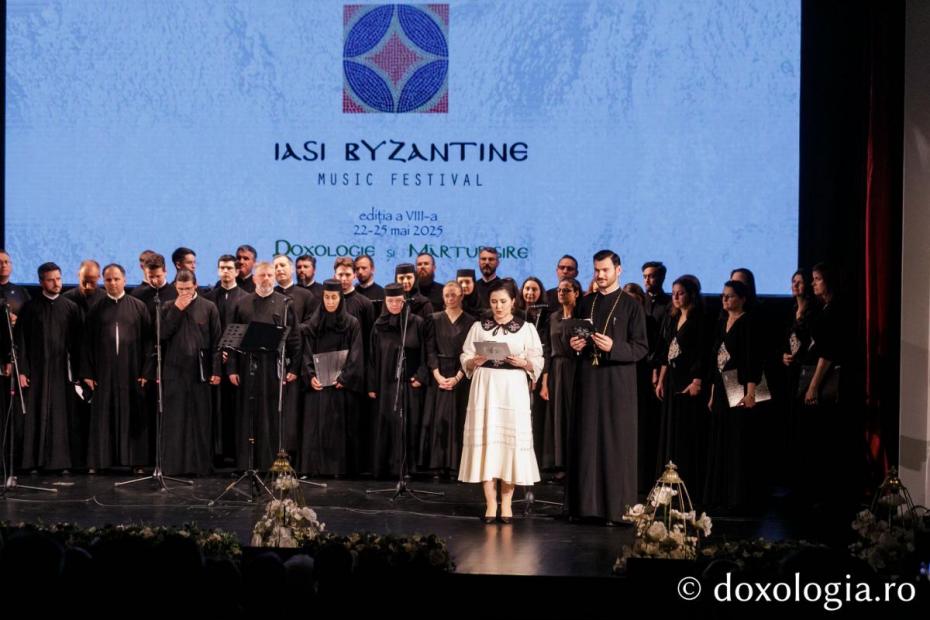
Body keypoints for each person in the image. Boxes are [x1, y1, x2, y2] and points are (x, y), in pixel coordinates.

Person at [567, 250, 648, 524]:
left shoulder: (631, 306)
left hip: (617, 382)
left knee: (615, 442)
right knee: (586, 440)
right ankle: (584, 507)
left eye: (605, 270)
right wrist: (575, 345)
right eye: (597, 270)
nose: (600, 275)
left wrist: (615, 347)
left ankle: (616, 509)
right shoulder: (585, 302)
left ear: (618, 270)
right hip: (589, 380)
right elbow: (575, 337)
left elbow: (641, 347)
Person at [459, 280, 544, 523]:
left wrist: (524, 363)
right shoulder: (479, 327)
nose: (498, 306)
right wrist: (472, 361)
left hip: (512, 388)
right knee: (488, 443)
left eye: (503, 301)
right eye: (494, 302)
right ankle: (490, 504)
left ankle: (506, 504)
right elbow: (465, 354)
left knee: (509, 445)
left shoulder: (526, 328)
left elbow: (538, 359)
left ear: (513, 302)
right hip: (486, 387)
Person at [227, 262, 301, 470]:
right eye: (262, 275)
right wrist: (231, 368)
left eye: (270, 275)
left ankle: (271, 462)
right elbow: (233, 339)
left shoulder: (285, 304)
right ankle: (247, 463)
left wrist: (294, 368)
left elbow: (295, 337)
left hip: (273, 368)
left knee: (272, 415)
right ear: (254, 278)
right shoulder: (242, 304)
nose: (266, 279)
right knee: (248, 414)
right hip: (247, 366)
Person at [80, 264, 152, 473]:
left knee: (134, 414)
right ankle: (98, 462)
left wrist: (146, 371)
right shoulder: (96, 309)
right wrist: (87, 373)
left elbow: (149, 343)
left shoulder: (139, 307)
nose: (112, 283)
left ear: (124, 280)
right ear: (103, 281)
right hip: (104, 372)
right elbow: (85, 343)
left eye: (116, 279)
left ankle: (136, 461)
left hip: (132, 371)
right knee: (103, 416)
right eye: (108, 280)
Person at [15, 262, 82, 473]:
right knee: (36, 415)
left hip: (62, 371)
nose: (56, 283)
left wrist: (78, 374)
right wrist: (22, 370)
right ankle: (34, 462)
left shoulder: (70, 308)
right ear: (41, 282)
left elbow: (78, 344)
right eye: (51, 280)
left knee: (61, 417)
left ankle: (61, 463)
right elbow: (20, 342)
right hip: (36, 371)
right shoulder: (30, 308)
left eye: (58, 279)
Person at [704, 280, 761, 511]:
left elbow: (751, 359)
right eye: (723, 296)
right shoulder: (721, 322)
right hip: (721, 385)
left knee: (736, 439)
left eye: (730, 296)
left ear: (743, 299)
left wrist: (751, 392)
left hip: (738, 384)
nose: (725, 299)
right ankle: (719, 494)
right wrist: (712, 393)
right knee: (721, 437)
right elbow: (715, 361)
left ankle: (736, 497)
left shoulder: (748, 322)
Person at [159, 270, 222, 476]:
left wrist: (216, 370)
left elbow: (217, 341)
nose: (184, 292)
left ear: (195, 285)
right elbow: (161, 335)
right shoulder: (167, 306)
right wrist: (177, 309)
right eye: (180, 289)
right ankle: (174, 467)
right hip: (173, 371)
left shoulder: (209, 307)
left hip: (200, 372)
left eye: (187, 288)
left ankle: (200, 467)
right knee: (175, 420)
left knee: (200, 420)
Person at [299, 280, 364, 476]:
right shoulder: (313, 324)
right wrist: (310, 375)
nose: (330, 301)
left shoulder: (351, 323)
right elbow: (306, 352)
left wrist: (344, 378)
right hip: (317, 386)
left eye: (334, 297)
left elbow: (356, 354)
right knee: (315, 427)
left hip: (339, 387)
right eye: (326, 297)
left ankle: (338, 469)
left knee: (337, 427)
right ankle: (314, 468)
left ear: (340, 299)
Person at [654, 275, 708, 500]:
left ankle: (686, 484)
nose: (675, 297)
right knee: (670, 429)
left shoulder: (699, 320)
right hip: (671, 379)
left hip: (688, 380)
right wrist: (661, 380)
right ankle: (668, 482)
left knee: (685, 432)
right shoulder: (672, 317)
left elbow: (702, 352)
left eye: (681, 293)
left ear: (691, 295)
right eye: (674, 293)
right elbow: (667, 351)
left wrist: (697, 380)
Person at [367, 283, 428, 478]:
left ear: (405, 301)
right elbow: (372, 357)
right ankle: (386, 468)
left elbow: (425, 353)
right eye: (390, 301)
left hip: (409, 384)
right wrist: (372, 385)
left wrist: (421, 376)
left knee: (408, 424)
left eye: (398, 301)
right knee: (387, 422)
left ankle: (407, 467)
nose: (394, 304)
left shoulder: (416, 323)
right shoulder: (378, 325)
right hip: (385, 384)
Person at [419, 281, 476, 478]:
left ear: (461, 296)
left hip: (461, 375)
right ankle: (437, 465)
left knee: (459, 418)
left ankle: (457, 466)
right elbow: (430, 349)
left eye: (454, 295)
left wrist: (458, 377)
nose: (450, 298)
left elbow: (471, 352)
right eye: (447, 295)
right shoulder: (433, 319)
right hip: (439, 374)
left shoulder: (471, 322)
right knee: (438, 419)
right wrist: (437, 375)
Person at [203, 255, 248, 465]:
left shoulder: (245, 298)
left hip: (236, 362)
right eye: (222, 268)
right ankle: (216, 452)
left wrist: (230, 354)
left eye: (230, 268)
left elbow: (243, 330)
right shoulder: (209, 297)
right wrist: (217, 352)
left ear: (237, 271)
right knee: (214, 407)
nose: (226, 271)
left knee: (234, 407)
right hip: (213, 360)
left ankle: (234, 452)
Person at [540, 277, 582, 478]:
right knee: (558, 415)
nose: (562, 293)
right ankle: (559, 463)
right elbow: (548, 350)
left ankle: (577, 461)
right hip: (557, 370)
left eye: (566, 290)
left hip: (577, 368)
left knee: (575, 413)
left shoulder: (582, 317)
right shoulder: (553, 317)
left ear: (576, 293)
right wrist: (544, 382)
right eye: (559, 290)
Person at [516, 276, 549, 464]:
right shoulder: (516, 314)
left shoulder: (545, 315)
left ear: (540, 292)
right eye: (527, 288)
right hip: (518, 369)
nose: (530, 292)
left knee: (536, 414)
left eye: (534, 289)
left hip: (538, 368)